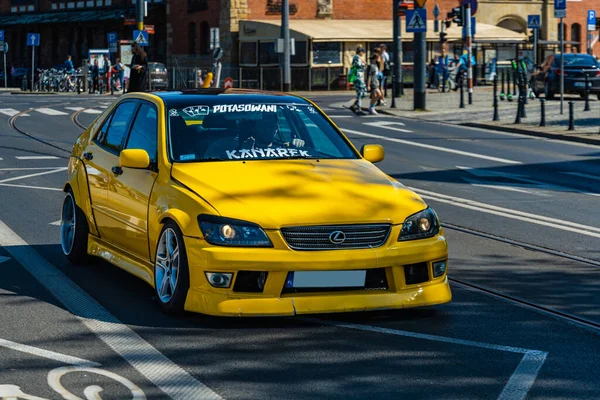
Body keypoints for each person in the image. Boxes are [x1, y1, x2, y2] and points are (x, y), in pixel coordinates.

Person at [350, 47, 367, 116]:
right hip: (357, 77)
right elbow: (358, 65)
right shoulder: (357, 57)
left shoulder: (358, 57)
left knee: (363, 93)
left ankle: (354, 105)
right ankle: (358, 108)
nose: (363, 53)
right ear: (360, 52)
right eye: (363, 52)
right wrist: (364, 64)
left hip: (359, 77)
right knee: (361, 92)